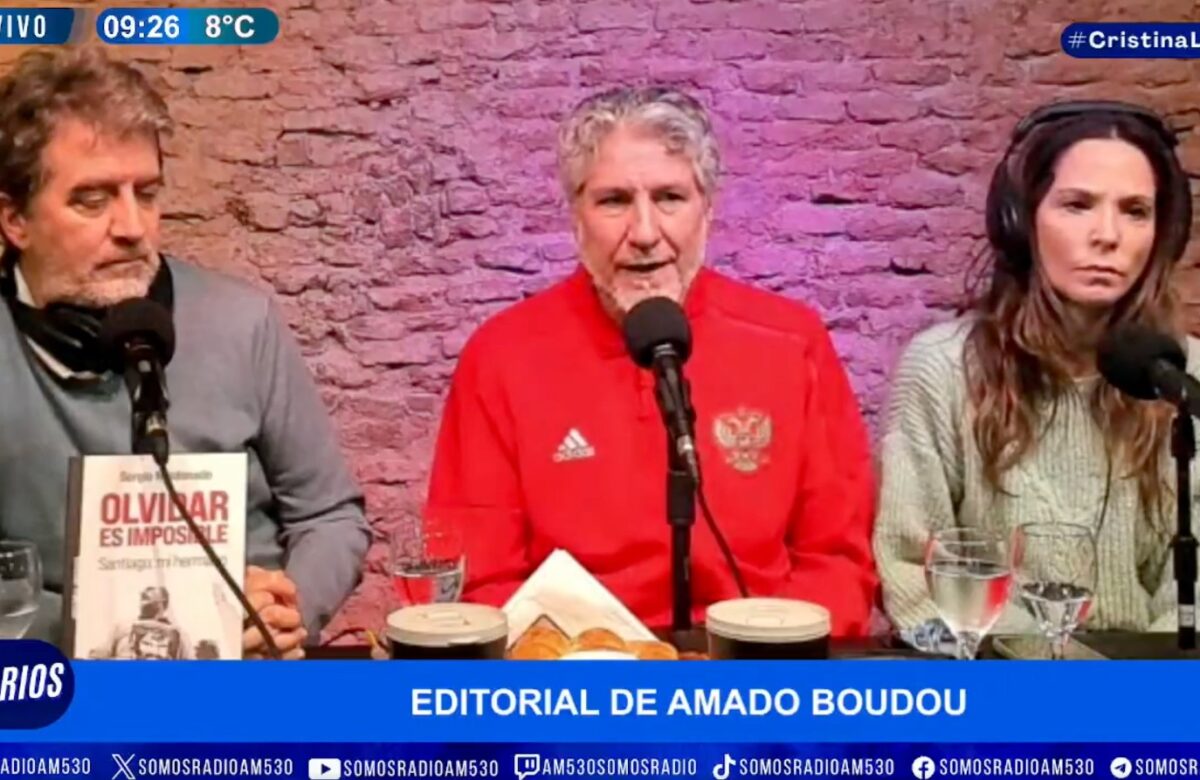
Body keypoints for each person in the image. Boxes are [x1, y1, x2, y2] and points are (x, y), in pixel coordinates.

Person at [426, 86, 877, 636]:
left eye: (669, 198)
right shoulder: (501, 356)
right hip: (577, 669)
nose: (644, 233)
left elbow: (838, 562)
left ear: (707, 211)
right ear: (575, 216)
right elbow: (480, 580)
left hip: (757, 663)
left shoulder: (790, 339)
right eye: (614, 201)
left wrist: (768, 661)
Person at [0, 48, 370, 658]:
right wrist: (104, 629)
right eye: (92, 200)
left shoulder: (241, 322)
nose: (132, 227)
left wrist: (288, 612)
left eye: (145, 194)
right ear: (15, 219)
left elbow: (330, 516)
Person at [874, 100, 1197, 637]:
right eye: (1078, 205)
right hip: (990, 673)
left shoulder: (1186, 380)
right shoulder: (942, 369)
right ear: (1021, 221)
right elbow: (910, 574)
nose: (1108, 235)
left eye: (1135, 211)